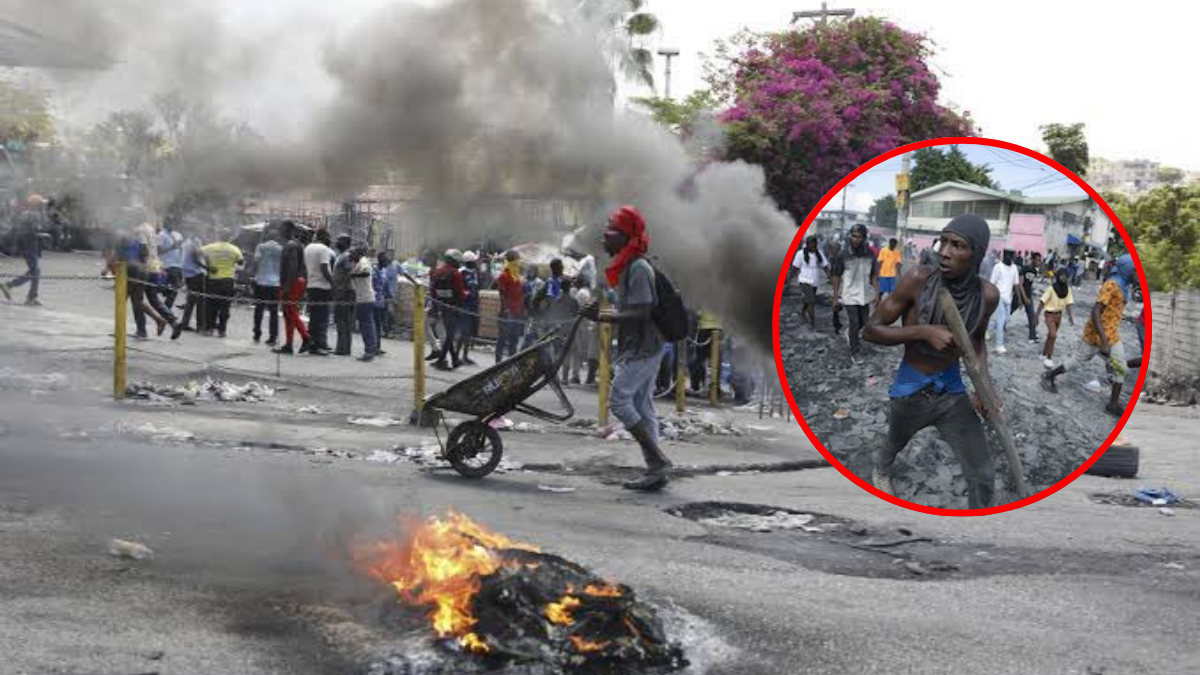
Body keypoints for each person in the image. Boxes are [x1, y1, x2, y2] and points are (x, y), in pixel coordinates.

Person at [862, 214, 1001, 510]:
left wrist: (984, 389)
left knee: (983, 473)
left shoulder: (987, 295)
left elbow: (977, 344)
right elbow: (870, 330)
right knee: (895, 441)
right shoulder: (917, 280)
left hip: (951, 392)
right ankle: (883, 468)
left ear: (975, 254)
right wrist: (923, 331)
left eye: (957, 245)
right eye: (944, 242)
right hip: (911, 388)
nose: (945, 252)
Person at [580, 205, 672, 491]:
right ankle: (656, 470)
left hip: (646, 346)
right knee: (643, 407)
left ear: (625, 237)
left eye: (609, 233)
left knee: (619, 400)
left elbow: (642, 312)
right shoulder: (627, 267)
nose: (603, 239)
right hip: (639, 344)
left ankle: (657, 461)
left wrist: (603, 316)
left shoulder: (639, 268)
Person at [1042, 254, 1138, 417]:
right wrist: (1103, 341)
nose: (1138, 275)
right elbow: (1095, 312)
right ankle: (1049, 375)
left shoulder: (1123, 286)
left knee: (1120, 366)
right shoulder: (1112, 285)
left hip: (1111, 334)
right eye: (1136, 271)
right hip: (1097, 333)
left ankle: (1113, 404)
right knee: (1078, 359)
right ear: (1128, 269)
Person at [830, 224, 877, 364]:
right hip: (849, 294)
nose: (856, 239)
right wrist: (835, 296)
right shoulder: (843, 254)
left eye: (859, 236)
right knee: (855, 323)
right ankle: (855, 352)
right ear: (850, 236)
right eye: (854, 236)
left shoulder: (870, 254)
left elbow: (874, 275)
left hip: (865, 294)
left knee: (864, 323)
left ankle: (850, 333)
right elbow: (836, 276)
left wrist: (877, 294)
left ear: (864, 238)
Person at [272, 221, 311, 355]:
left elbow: (293, 268)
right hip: (295, 282)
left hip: (293, 283)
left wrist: (287, 287)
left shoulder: (291, 245)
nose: (279, 231)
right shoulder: (294, 245)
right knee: (288, 314)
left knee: (291, 312)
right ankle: (289, 344)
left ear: (288, 230)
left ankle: (306, 337)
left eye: (281, 228)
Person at [1, 194, 48, 306]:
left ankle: (31, 297)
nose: (43, 206)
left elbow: (21, 230)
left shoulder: (26, 214)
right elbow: (33, 230)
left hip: (27, 244)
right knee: (35, 271)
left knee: (35, 270)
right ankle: (10, 285)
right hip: (29, 245)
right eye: (41, 204)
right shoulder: (34, 215)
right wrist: (41, 234)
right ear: (37, 205)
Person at [430, 249, 467, 371]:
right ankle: (441, 361)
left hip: (441, 306)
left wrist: (435, 308)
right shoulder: (455, 274)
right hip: (453, 307)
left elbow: (432, 291)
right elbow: (460, 293)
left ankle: (455, 359)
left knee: (449, 334)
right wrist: (464, 297)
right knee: (450, 335)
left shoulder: (437, 271)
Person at [201, 235, 243, 338]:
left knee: (211, 305)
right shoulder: (235, 249)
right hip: (227, 281)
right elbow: (241, 262)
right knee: (225, 306)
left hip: (213, 280)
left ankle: (209, 329)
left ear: (219, 237)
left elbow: (196, 253)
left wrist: (207, 266)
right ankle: (222, 330)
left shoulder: (210, 247)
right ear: (229, 238)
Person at [304, 229, 336, 355]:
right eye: (329, 236)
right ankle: (318, 345)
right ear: (325, 237)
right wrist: (333, 284)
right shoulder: (323, 249)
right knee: (322, 318)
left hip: (311, 286)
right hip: (323, 287)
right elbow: (324, 268)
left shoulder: (307, 248)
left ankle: (313, 344)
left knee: (314, 317)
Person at [172, 228, 209, 338]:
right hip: (196, 274)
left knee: (191, 300)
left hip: (188, 274)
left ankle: (184, 323)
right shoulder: (194, 243)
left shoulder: (187, 243)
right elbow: (196, 259)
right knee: (201, 300)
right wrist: (209, 268)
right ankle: (200, 326)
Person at [1037, 268, 1075, 368]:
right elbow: (1042, 302)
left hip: (1059, 315)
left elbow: (1068, 304)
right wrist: (1036, 316)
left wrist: (1070, 317)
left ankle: (1044, 353)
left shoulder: (1067, 290)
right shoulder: (1051, 289)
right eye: (1062, 275)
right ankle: (1049, 357)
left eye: (1066, 276)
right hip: (1049, 314)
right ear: (1058, 276)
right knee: (1053, 335)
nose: (1064, 278)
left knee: (1051, 335)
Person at [251, 229, 283, 345]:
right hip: (275, 283)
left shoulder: (261, 246)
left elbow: (256, 261)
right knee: (273, 311)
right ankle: (273, 337)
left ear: (267, 237)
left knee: (259, 309)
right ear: (276, 238)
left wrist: (253, 274)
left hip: (261, 281)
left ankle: (257, 333)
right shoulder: (281, 249)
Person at [791, 236, 829, 330]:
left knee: (808, 300)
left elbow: (825, 266)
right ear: (807, 244)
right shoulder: (800, 254)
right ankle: (813, 324)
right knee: (811, 301)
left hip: (814, 281)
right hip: (804, 280)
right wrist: (788, 281)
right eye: (811, 243)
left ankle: (802, 313)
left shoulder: (819, 253)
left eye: (814, 243)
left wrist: (830, 276)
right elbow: (795, 268)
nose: (813, 245)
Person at [987, 249, 1021, 354]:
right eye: (1010, 255)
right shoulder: (998, 267)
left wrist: (1019, 298)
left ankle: (988, 329)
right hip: (999, 296)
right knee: (1001, 321)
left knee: (1006, 320)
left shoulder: (1014, 268)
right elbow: (992, 283)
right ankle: (999, 345)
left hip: (1008, 298)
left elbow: (1016, 284)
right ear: (1005, 255)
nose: (1012, 258)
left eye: (1013, 255)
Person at [349, 246, 380, 362]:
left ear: (358, 254)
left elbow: (366, 272)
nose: (350, 255)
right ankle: (370, 350)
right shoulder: (359, 262)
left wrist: (353, 275)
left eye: (352, 253)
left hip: (365, 299)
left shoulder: (363, 261)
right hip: (363, 298)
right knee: (366, 325)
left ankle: (369, 352)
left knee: (366, 326)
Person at [496, 249, 526, 363]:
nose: (519, 262)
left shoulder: (517, 276)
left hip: (517, 313)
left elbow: (519, 294)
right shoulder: (504, 276)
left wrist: (522, 309)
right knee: (502, 339)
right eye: (517, 260)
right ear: (511, 261)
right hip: (507, 313)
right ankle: (497, 363)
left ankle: (510, 363)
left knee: (514, 339)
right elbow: (502, 295)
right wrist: (506, 309)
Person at [331, 234, 355, 356]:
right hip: (341, 291)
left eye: (340, 240)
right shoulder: (341, 255)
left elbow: (349, 273)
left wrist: (342, 289)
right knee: (342, 320)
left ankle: (342, 349)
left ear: (346, 242)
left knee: (342, 320)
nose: (337, 241)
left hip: (344, 292)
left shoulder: (346, 256)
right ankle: (344, 348)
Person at [457, 251, 481, 365]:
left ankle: (465, 356)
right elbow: (458, 289)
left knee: (469, 331)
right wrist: (466, 294)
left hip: (473, 305)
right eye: (474, 261)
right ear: (469, 262)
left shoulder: (474, 273)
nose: (476, 263)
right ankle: (457, 355)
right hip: (464, 305)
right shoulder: (461, 273)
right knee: (464, 331)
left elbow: (476, 288)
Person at [157, 222, 184, 309]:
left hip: (178, 265)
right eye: (170, 222)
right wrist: (172, 247)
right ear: (166, 224)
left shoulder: (178, 235)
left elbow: (181, 249)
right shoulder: (161, 235)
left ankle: (165, 307)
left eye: (174, 222)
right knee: (174, 287)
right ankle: (166, 309)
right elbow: (158, 251)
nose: (172, 225)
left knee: (176, 287)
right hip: (167, 265)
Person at [1018, 252, 1043, 345]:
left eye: (1040, 260)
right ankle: (996, 328)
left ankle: (1032, 336)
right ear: (1032, 259)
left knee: (1031, 315)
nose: (1039, 262)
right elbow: (1020, 284)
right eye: (1037, 260)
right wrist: (1023, 298)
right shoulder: (1024, 269)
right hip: (1019, 295)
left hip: (1028, 295)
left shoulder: (1034, 271)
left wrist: (1031, 295)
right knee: (1008, 312)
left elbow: (1030, 285)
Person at [875, 237, 903, 301]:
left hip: (892, 275)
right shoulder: (883, 250)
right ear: (889, 243)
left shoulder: (897, 252)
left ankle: (889, 303)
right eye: (892, 243)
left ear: (896, 245)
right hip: (883, 274)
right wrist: (877, 272)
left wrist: (900, 274)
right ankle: (878, 301)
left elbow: (898, 264)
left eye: (894, 244)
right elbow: (880, 262)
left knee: (891, 292)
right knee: (882, 291)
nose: (893, 245)